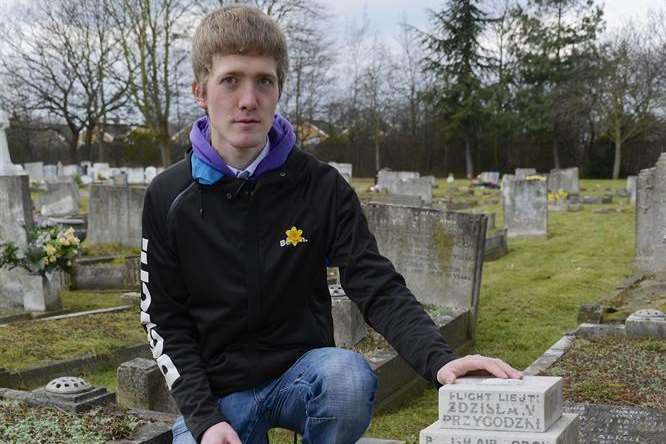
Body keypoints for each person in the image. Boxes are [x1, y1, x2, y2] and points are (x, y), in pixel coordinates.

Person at [140, 5, 522, 444]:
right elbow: (164, 320)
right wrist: (205, 421)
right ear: (200, 91)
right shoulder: (169, 197)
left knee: (348, 380)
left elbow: (374, 281)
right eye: (231, 80)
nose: (248, 99)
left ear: (279, 88)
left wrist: (439, 360)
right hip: (216, 393)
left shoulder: (319, 186)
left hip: (300, 378)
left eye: (264, 80)